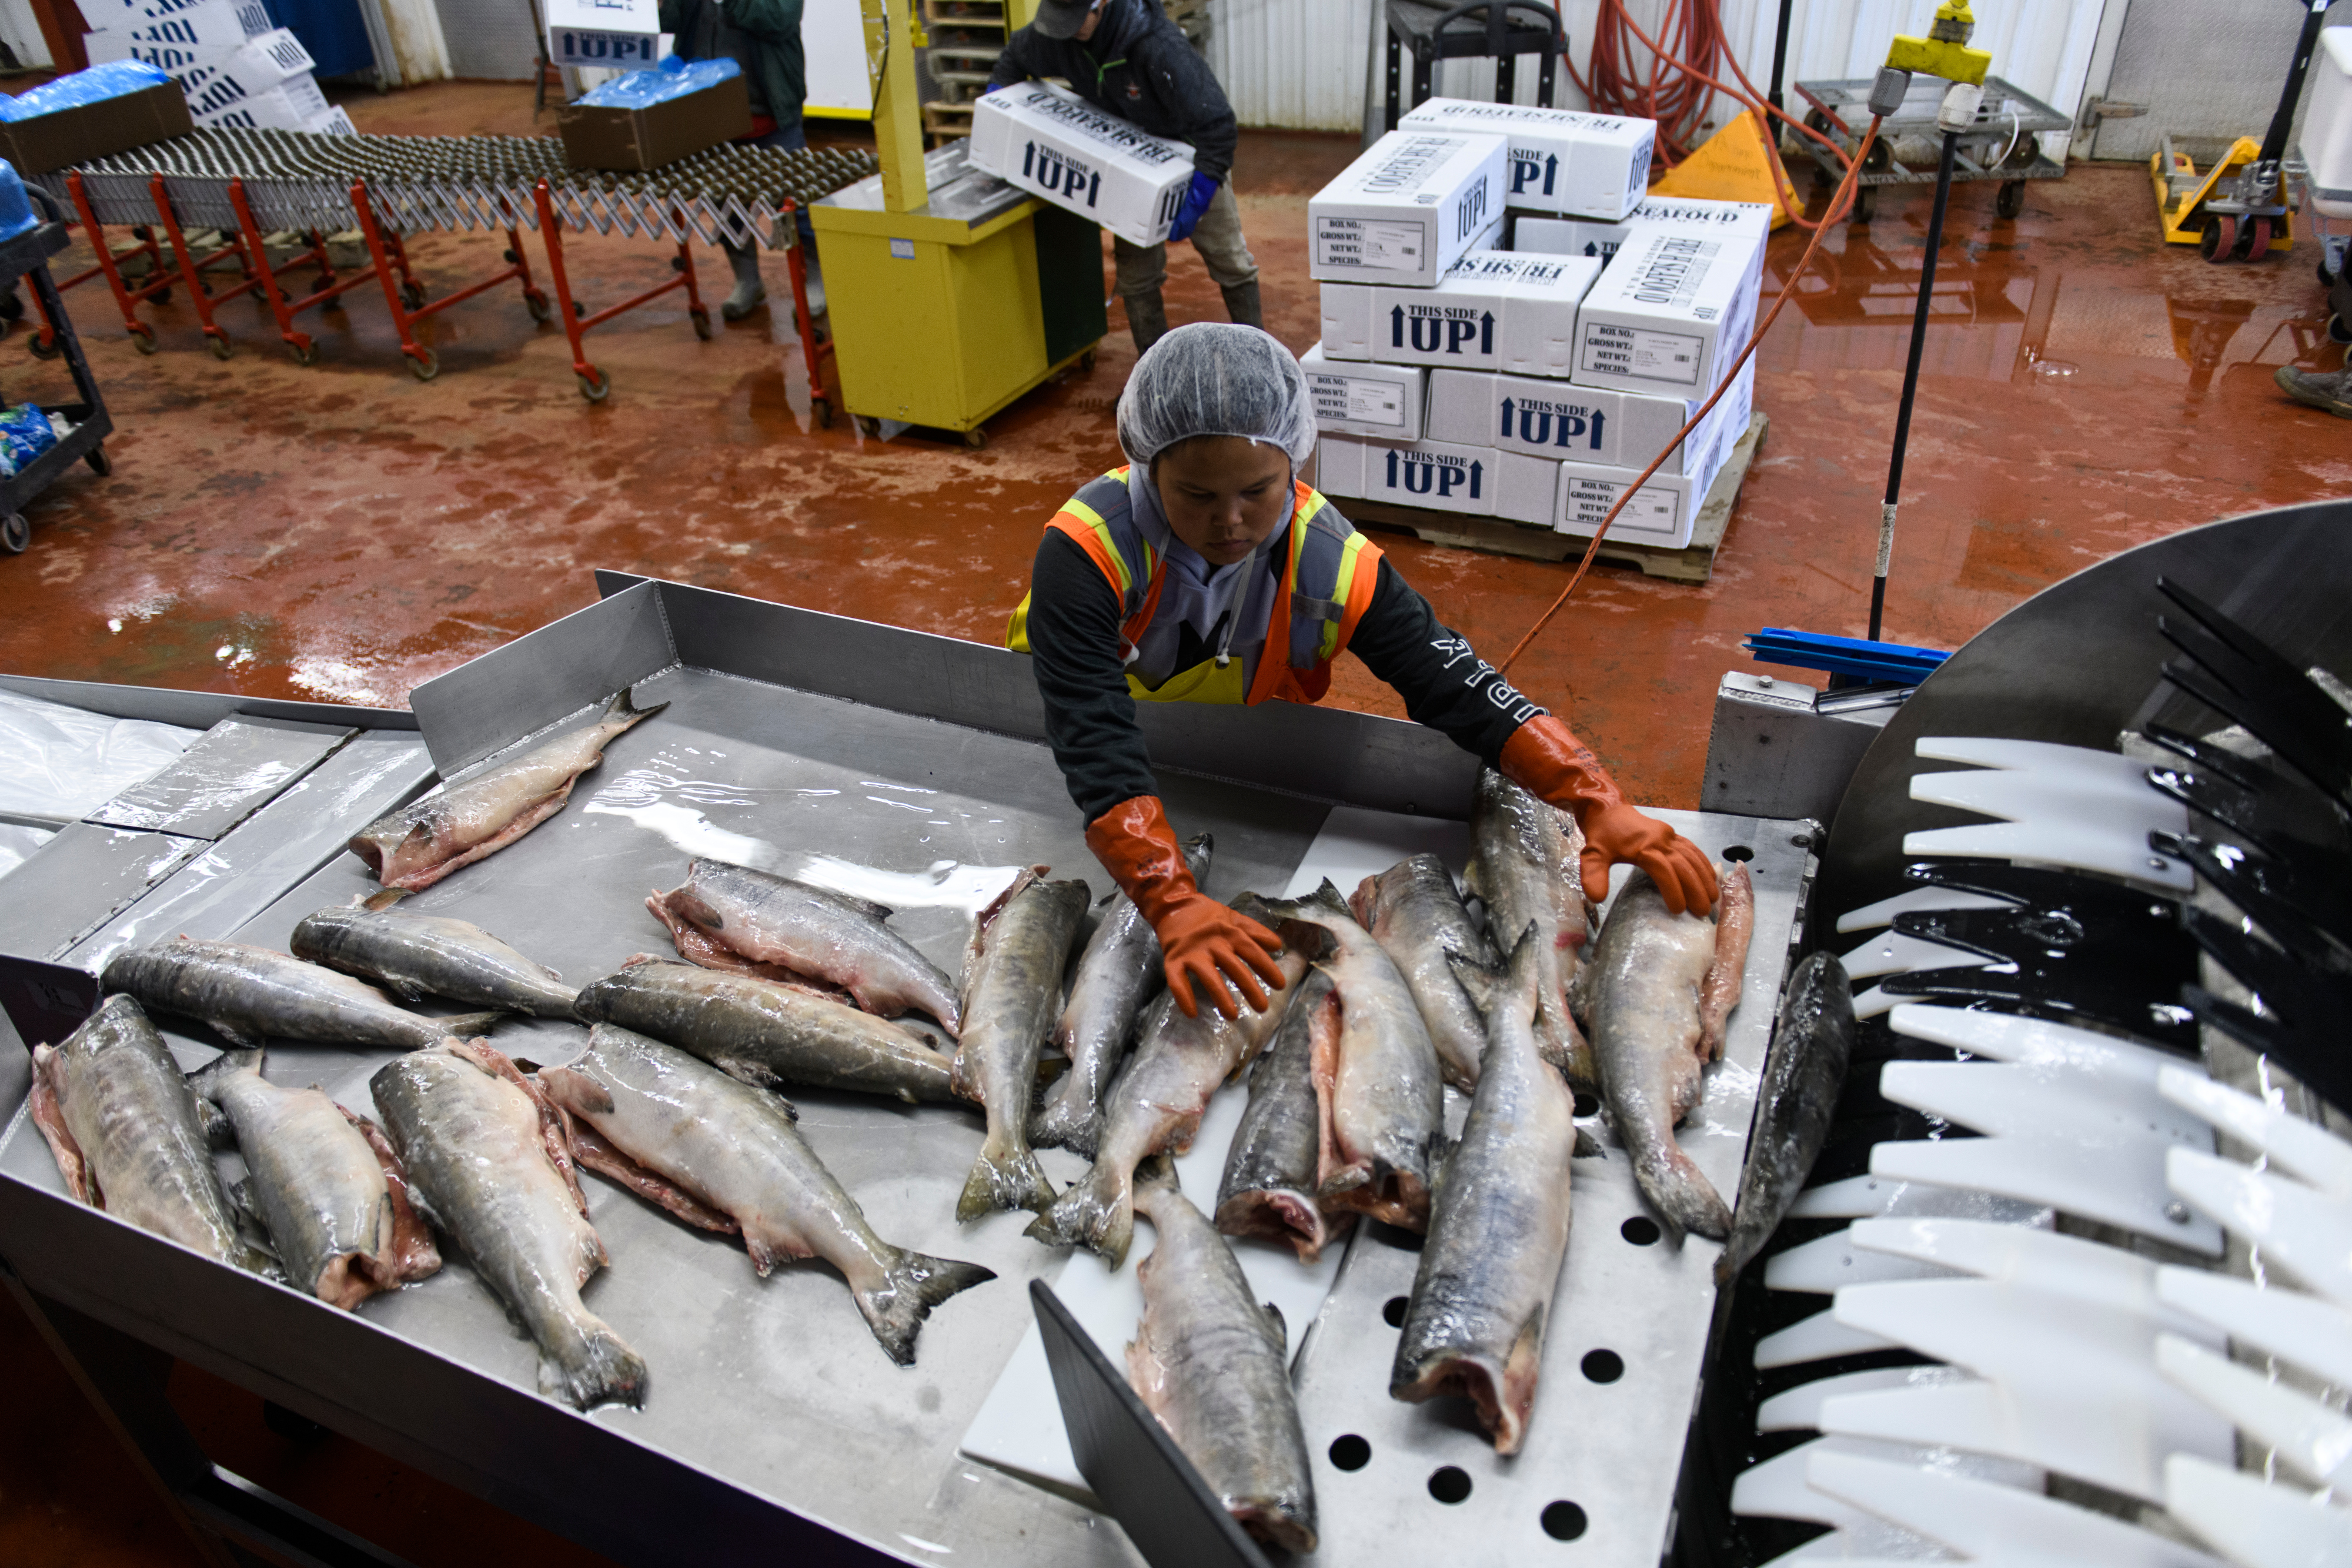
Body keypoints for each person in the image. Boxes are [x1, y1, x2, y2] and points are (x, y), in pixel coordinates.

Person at [1007, 324, 1721, 1018]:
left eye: (1258, 490)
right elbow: (1091, 727)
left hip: (1237, 743)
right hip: (1070, 751)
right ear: (1145, 464)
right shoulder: (1086, 550)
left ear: (1296, 463)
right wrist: (1169, 898)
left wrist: (1594, 796)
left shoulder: (1331, 556)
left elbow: (1448, 676)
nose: (1230, 521)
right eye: (1196, 495)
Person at [985, 0, 1255, 352]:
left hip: (1192, 156)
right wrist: (998, 113)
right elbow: (1014, 58)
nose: (1066, 29)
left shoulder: (1156, 46)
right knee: (1137, 277)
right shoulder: (1061, 37)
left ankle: (1264, 360)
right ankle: (1153, 382)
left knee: (1230, 260)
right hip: (1134, 169)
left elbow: (1218, 125)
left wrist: (1199, 197)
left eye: (1075, 19)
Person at [660, 0, 823, 320]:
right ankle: (747, 280)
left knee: (794, 201)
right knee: (723, 201)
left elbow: (778, 18)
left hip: (770, 109)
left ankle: (816, 278)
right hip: (710, 111)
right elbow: (667, 19)